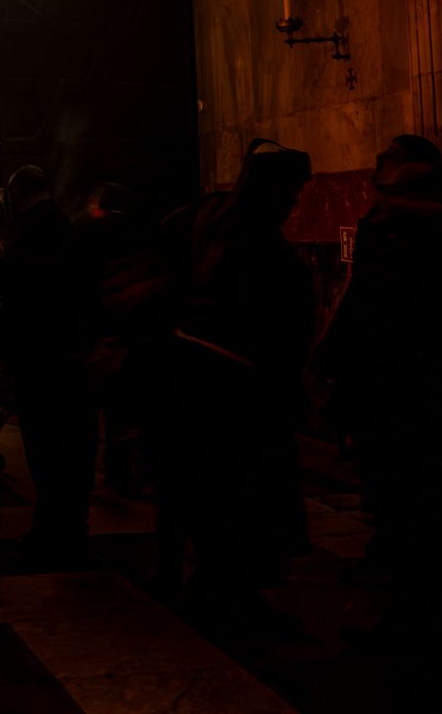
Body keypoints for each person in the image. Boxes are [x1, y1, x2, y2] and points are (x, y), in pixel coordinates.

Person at [314, 136, 442, 644]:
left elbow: (363, 311)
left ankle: (415, 623)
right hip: (434, 399)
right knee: (430, 514)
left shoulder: (389, 235)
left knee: (408, 508)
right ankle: (434, 616)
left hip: (397, 397)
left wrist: (333, 363)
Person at [151, 139, 314, 639]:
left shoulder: (211, 216)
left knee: (207, 494)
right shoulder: (257, 242)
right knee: (239, 497)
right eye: (291, 194)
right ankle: (228, 597)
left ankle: (209, 587)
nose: (295, 205)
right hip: (238, 391)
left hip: (198, 379)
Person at [0, 166, 100, 567]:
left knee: (47, 453)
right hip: (73, 361)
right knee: (72, 454)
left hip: (43, 364)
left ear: (14, 194)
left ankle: (52, 534)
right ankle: (71, 530)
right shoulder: (66, 229)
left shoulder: (29, 235)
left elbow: (20, 301)